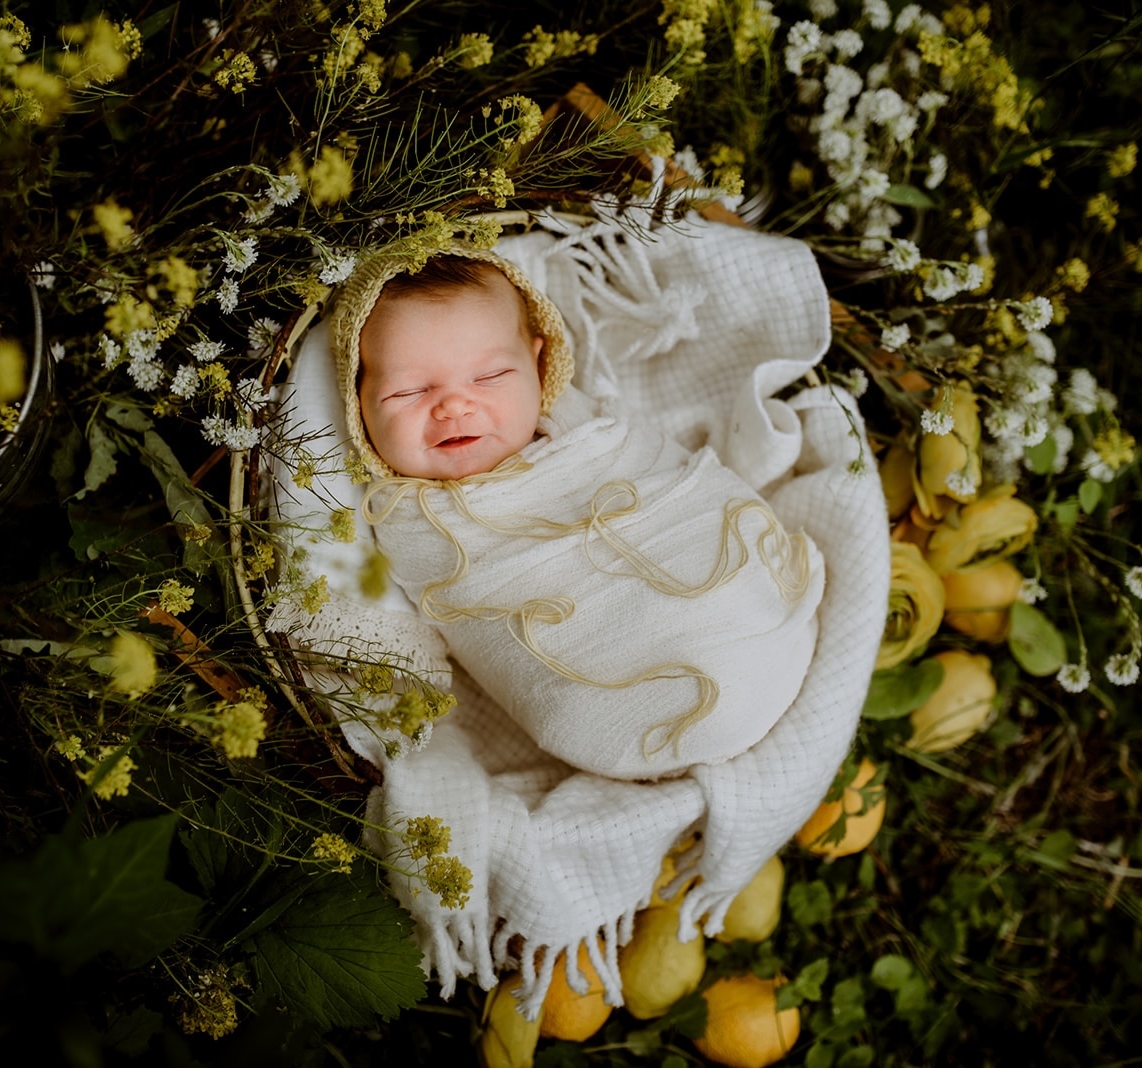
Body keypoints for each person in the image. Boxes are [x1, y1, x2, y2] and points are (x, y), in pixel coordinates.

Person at [330, 246, 826, 780]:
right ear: (358, 405)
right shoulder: (406, 517)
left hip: (761, 625)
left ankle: (741, 625)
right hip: (615, 718)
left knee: (722, 573)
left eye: (491, 376)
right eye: (410, 391)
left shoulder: (586, 426)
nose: (454, 406)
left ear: (539, 365)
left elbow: (668, 478)